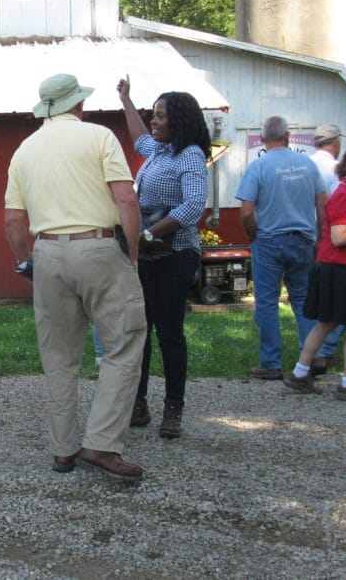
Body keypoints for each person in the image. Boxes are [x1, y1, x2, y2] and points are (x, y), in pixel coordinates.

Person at [4, 73, 146, 482]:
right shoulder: (99, 137)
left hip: (46, 251)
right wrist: (131, 254)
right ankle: (101, 442)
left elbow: (14, 220)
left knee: (58, 358)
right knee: (122, 345)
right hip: (99, 246)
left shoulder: (24, 150)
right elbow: (126, 199)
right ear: (77, 104)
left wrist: (25, 261)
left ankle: (62, 449)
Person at [118, 78, 210, 439]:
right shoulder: (158, 150)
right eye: (152, 115)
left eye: (159, 116)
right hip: (148, 255)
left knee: (170, 334)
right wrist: (126, 100)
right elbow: (139, 137)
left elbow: (193, 206)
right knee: (140, 331)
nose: (152, 121)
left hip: (175, 255)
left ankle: (173, 408)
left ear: (178, 121)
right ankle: (138, 404)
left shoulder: (190, 155)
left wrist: (149, 233)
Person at [236, 116, 328, 380]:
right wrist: (320, 237)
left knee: (266, 301)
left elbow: (245, 213)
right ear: (287, 136)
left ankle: (271, 363)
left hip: (269, 240)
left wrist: (255, 235)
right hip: (302, 239)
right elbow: (322, 203)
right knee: (303, 300)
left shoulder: (258, 167)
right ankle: (312, 358)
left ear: (263, 139)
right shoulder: (307, 164)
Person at [283, 144, 346, 402]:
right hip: (341, 267)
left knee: (327, 322)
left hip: (337, 266)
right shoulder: (345, 195)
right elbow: (340, 237)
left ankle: (300, 373)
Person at [308, 123, 346, 372]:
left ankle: (312, 349)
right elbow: (334, 205)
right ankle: (325, 349)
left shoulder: (307, 163)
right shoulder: (336, 169)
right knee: (345, 295)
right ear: (336, 142)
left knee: (313, 295)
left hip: (304, 232)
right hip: (331, 235)